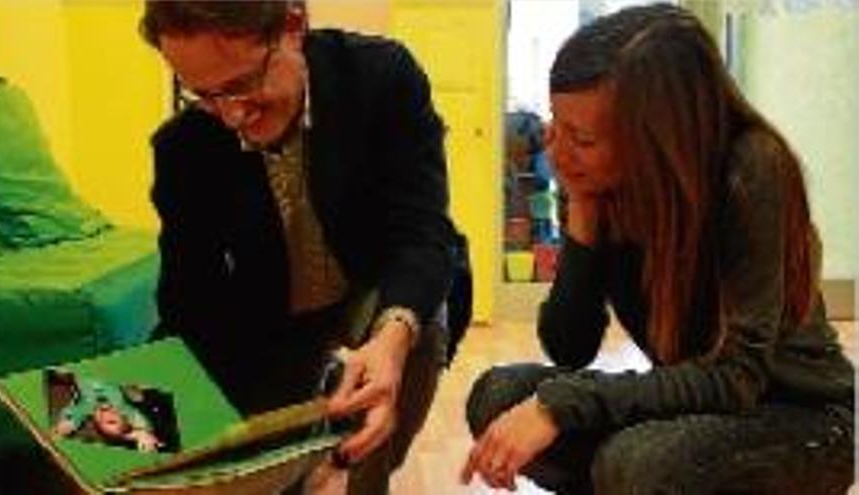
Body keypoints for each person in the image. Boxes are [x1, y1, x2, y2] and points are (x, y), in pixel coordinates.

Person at [462, 4, 854, 494]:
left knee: (637, 462)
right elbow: (570, 346)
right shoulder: (600, 180)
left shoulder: (751, 168)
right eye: (554, 127)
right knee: (498, 396)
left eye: (581, 138)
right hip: (697, 409)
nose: (557, 154)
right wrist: (583, 215)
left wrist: (563, 404)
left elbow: (736, 378)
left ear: (657, 139)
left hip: (800, 421)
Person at [138, 2, 456, 493]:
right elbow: (189, 303)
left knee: (396, 347)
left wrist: (392, 337)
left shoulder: (381, 77)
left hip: (383, 288)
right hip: (278, 323)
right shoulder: (183, 147)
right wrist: (147, 429)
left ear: (292, 26)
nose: (231, 115)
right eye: (203, 95)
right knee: (274, 477)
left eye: (243, 83)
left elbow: (422, 234)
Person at [52, 376, 162, 453]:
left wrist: (66, 426)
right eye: (112, 421)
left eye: (99, 421)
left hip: (83, 374)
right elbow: (141, 423)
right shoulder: (121, 406)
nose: (103, 416)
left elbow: (76, 415)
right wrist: (142, 434)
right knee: (137, 396)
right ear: (124, 417)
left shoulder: (89, 406)